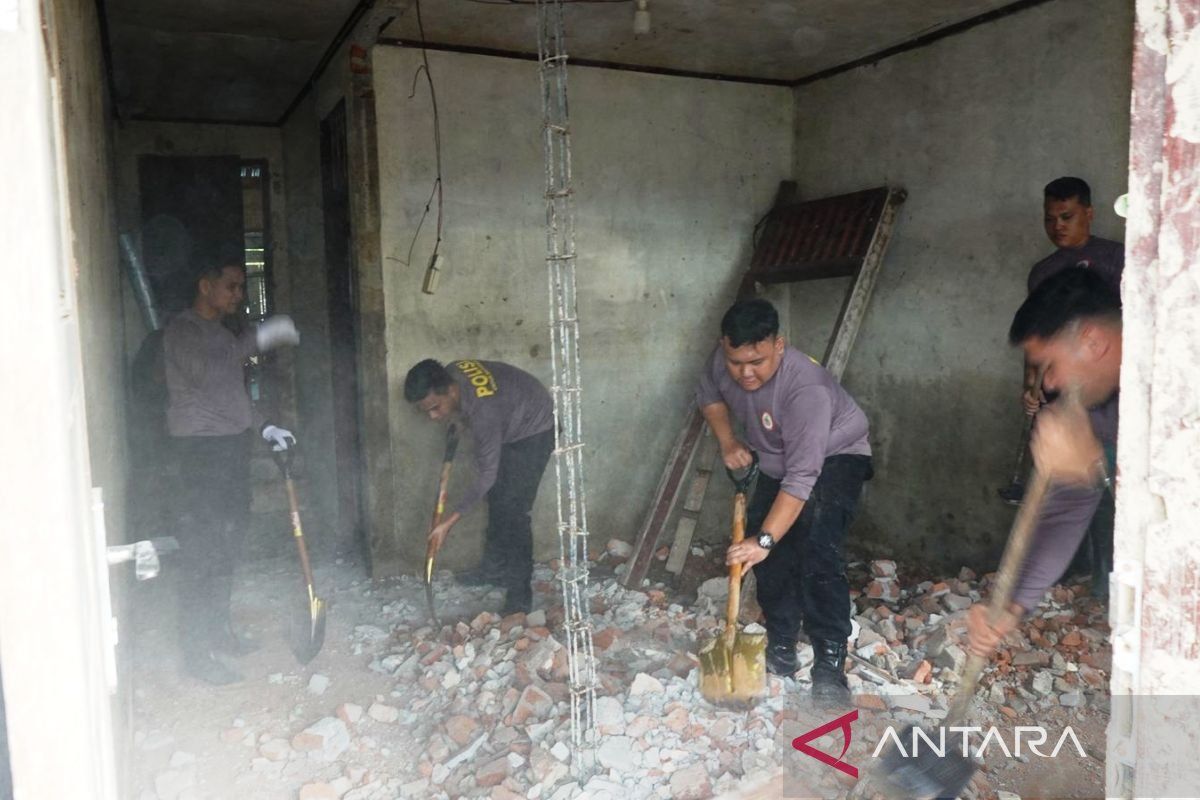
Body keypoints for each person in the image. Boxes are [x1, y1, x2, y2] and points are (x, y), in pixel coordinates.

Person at [696, 298, 873, 705]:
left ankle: (830, 662)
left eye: (756, 361)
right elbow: (709, 394)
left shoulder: (805, 388)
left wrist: (763, 540)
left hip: (835, 454)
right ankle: (781, 642)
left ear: (779, 344)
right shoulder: (722, 361)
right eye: (736, 361)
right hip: (778, 458)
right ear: (724, 345)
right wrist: (727, 442)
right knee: (771, 556)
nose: (745, 373)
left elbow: (802, 477)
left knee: (816, 549)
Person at [968, 269, 1121, 658]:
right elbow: (1065, 513)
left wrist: (1093, 465)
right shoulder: (1091, 409)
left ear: (1093, 341)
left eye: (1049, 364)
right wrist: (1013, 607)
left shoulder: (1179, 372)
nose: (1047, 383)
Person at [164, 257, 300, 685]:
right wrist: (255, 340)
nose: (238, 295)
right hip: (199, 454)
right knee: (202, 553)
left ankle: (218, 633)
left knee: (227, 549)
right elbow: (208, 375)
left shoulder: (222, 334)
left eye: (241, 287)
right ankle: (195, 654)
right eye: (231, 286)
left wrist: (265, 426)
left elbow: (232, 394)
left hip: (229, 450)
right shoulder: (182, 331)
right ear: (205, 285)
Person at [1022, 177, 1124, 593]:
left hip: (1110, 395)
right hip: (1062, 396)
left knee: (1110, 484)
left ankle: (1108, 579)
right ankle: (1063, 576)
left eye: (1067, 216)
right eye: (1050, 219)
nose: (1058, 226)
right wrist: (1031, 383)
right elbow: (1036, 339)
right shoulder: (1043, 272)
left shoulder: (1118, 259)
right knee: (1066, 484)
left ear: (1089, 213)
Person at [404, 358, 555, 615]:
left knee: (515, 512)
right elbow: (472, 405)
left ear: (450, 391)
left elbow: (487, 476)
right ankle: (494, 570)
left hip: (535, 428)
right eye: (426, 411)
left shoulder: (484, 414)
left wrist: (448, 523)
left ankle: (520, 596)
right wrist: (458, 421)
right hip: (512, 414)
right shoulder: (451, 373)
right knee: (498, 499)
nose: (433, 417)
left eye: (435, 408)